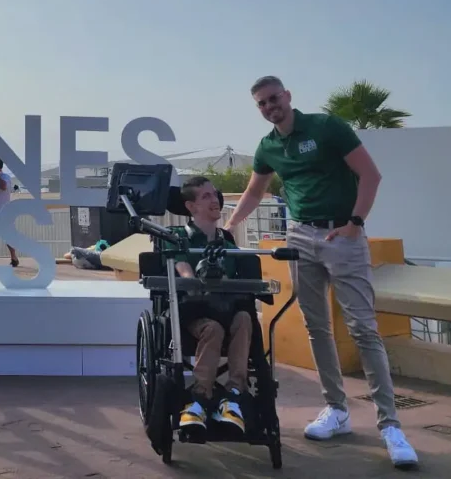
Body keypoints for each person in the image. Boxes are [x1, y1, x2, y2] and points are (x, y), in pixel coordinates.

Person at [225, 75, 419, 469]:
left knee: (363, 328)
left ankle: (391, 426)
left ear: (288, 96)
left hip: (342, 235)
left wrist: (355, 223)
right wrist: (228, 228)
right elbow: (254, 192)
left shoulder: (327, 127)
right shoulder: (268, 146)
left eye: (273, 98)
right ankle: (337, 410)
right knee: (316, 327)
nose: (269, 107)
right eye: (261, 103)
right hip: (300, 237)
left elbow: (370, 175)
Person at [165, 176, 252, 436]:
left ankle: (235, 394)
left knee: (246, 319)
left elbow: (241, 280)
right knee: (212, 329)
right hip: (194, 313)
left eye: (215, 195)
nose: (215, 200)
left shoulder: (226, 243)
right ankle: (200, 398)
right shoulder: (177, 237)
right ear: (191, 207)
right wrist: (195, 281)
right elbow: (182, 269)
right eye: (206, 197)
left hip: (226, 308)